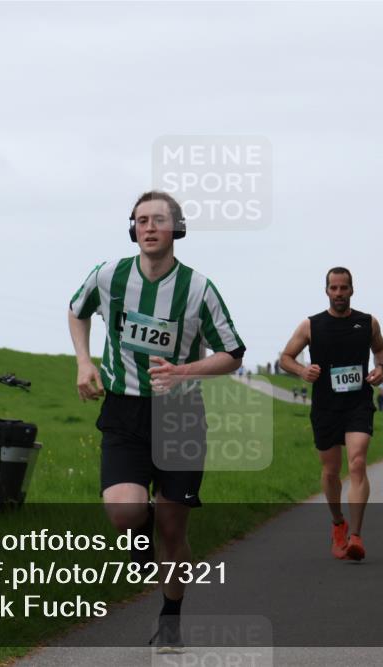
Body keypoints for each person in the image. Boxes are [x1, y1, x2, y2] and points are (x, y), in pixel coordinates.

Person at [68, 190, 245, 652]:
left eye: (159, 220)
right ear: (133, 229)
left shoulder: (199, 289)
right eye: (141, 220)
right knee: (124, 510)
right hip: (124, 409)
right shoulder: (109, 275)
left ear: (176, 229)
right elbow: (77, 310)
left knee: (174, 530)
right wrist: (84, 361)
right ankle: (139, 532)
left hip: (179, 416)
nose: (149, 227)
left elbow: (233, 354)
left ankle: (170, 617)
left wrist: (184, 371)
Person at [279, 267, 383, 561]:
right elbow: (285, 358)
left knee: (357, 462)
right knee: (330, 471)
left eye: (344, 288)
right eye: (334, 288)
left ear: (352, 289)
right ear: (326, 291)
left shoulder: (368, 322)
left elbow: (380, 350)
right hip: (325, 407)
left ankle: (356, 537)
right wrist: (302, 370)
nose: (339, 293)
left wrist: (380, 368)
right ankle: (338, 523)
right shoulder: (311, 325)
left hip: (358, 403)